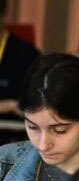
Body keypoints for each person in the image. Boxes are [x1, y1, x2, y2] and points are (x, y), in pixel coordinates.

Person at [0, 0, 40, 144]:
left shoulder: (26, 55)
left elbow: (40, 106)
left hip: (12, 132)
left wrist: (12, 105)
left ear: (3, 15)